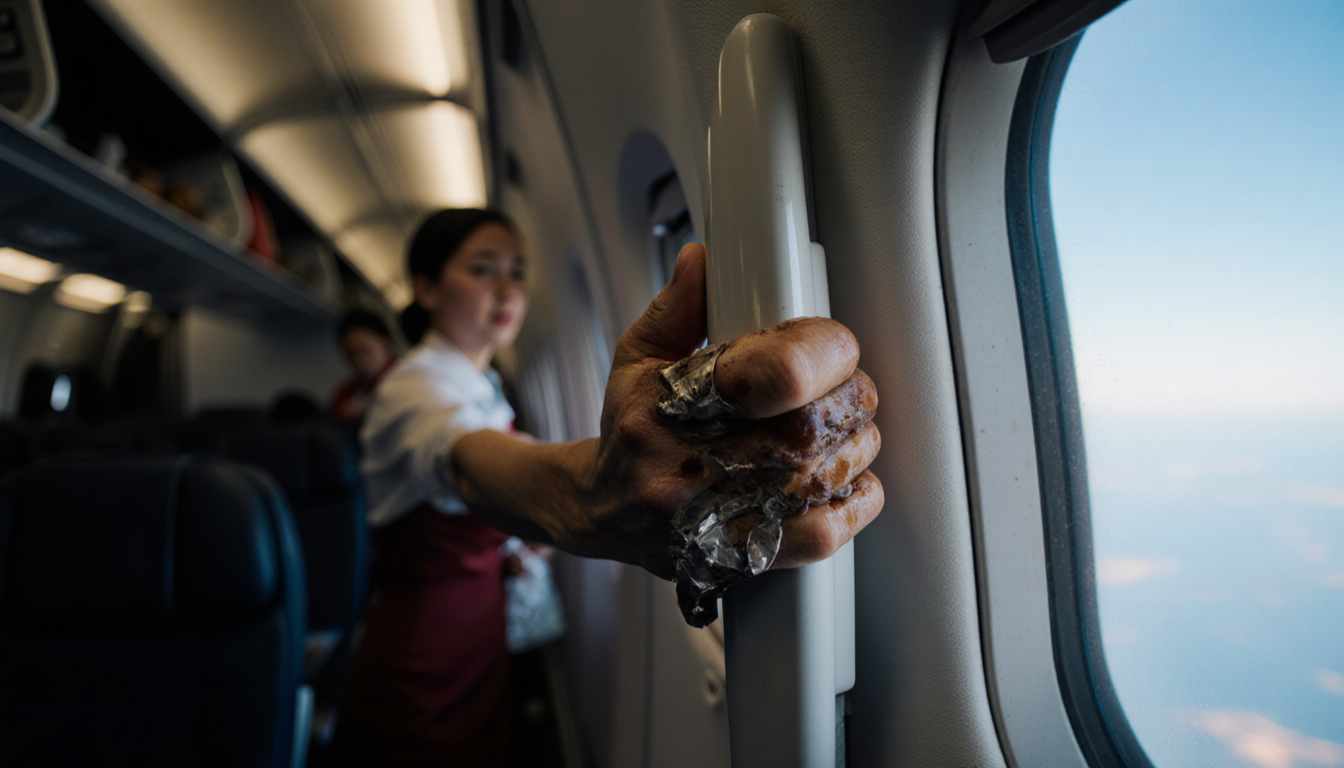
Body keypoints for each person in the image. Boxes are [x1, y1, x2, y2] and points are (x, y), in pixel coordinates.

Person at [335, 208, 883, 767]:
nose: (507, 289)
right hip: (421, 652)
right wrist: (585, 495)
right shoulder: (412, 391)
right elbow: (467, 462)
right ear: (425, 288)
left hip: (479, 632)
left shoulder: (482, 382)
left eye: (518, 271)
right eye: (483, 269)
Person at [330, 309, 397, 422]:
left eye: (365, 350)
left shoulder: (408, 379)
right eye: (351, 354)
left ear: (385, 343)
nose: (359, 360)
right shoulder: (345, 394)